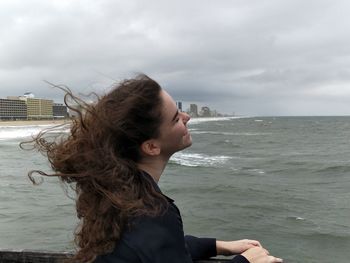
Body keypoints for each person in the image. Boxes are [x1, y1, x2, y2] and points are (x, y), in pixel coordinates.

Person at [25, 74, 283, 263]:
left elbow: (161, 250)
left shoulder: (118, 195)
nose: (187, 117)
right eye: (175, 118)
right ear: (151, 147)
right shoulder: (153, 211)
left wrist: (218, 245)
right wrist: (248, 262)